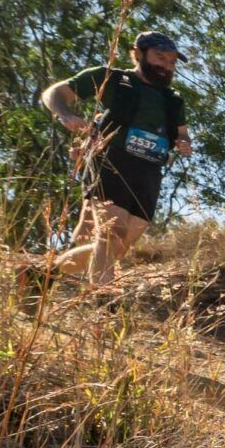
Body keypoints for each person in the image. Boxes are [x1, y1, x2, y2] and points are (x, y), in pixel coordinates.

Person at [38, 30, 192, 288]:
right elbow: (54, 93)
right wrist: (64, 114)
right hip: (110, 159)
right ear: (138, 54)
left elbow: (183, 134)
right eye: (160, 57)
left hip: (149, 171)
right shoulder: (111, 77)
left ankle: (43, 276)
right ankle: (103, 307)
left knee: (117, 248)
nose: (166, 66)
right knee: (110, 233)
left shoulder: (173, 99)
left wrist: (184, 143)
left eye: (171, 61)